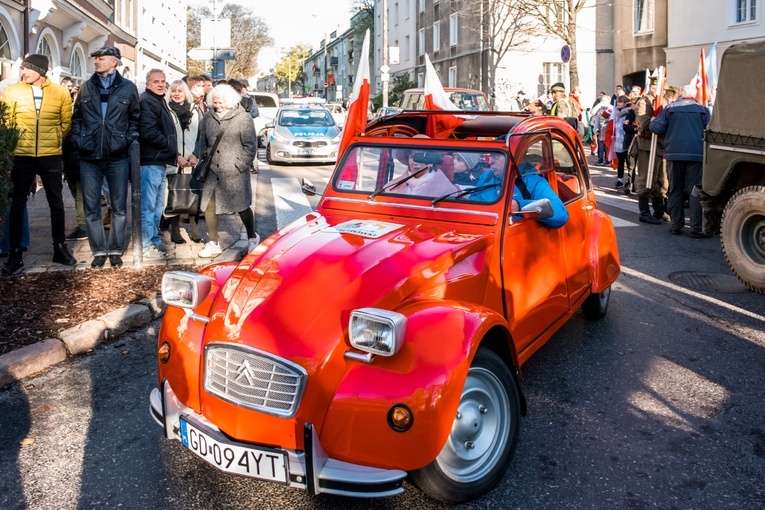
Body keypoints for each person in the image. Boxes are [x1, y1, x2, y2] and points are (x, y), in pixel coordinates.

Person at [1, 54, 77, 275]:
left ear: (41, 71)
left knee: (56, 203)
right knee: (17, 204)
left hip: (50, 154)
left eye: (28, 69)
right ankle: (15, 254)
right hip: (21, 155)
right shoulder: (13, 91)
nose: (24, 72)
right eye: (23, 69)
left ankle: (59, 248)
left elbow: (66, 123)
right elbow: (6, 122)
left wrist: (53, 139)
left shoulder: (60, 92)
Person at [71, 45, 140, 268]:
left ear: (114, 61)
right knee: (91, 207)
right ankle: (99, 251)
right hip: (89, 155)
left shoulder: (128, 88)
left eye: (101, 58)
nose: (96, 61)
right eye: (95, 58)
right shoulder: (86, 87)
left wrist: (126, 139)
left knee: (118, 206)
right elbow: (77, 118)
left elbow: (135, 119)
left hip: (117, 156)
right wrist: (79, 139)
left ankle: (116, 250)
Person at [194, 84, 259, 258]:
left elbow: (250, 146)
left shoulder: (243, 118)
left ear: (230, 101)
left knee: (242, 207)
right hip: (213, 171)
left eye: (221, 103)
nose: (218, 106)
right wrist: (202, 160)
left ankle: (252, 236)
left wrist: (240, 165)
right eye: (215, 102)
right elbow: (203, 142)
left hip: (234, 172)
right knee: (209, 207)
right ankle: (213, 243)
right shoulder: (208, 117)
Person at [649, 84, 711, 237]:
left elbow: (657, 128)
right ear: (694, 94)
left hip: (674, 154)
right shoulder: (703, 109)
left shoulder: (670, 108)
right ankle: (696, 228)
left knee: (675, 190)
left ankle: (676, 225)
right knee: (695, 191)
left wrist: (652, 121)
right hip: (696, 155)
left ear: (681, 95)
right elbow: (710, 130)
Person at [139, 69, 178, 260]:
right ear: (148, 84)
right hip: (150, 161)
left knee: (156, 206)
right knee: (148, 206)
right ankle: (146, 245)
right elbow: (148, 131)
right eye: (156, 81)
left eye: (163, 81)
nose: (161, 84)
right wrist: (170, 146)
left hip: (160, 160)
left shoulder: (158, 100)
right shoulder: (147, 101)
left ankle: (154, 241)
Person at [472, 152, 568, 228]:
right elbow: (473, 204)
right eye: (490, 156)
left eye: (496, 156)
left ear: (513, 158)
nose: (490, 162)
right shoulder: (486, 177)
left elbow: (560, 214)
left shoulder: (534, 181)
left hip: (514, 237)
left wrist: (519, 206)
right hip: (485, 230)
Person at [166, 79, 202, 244]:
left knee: (193, 194)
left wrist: (195, 154)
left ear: (186, 93)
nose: (177, 94)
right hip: (174, 160)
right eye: (174, 91)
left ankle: (194, 229)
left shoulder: (195, 110)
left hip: (192, 160)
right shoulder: (166, 110)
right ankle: (175, 230)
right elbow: (164, 137)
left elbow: (202, 135)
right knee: (173, 194)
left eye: (180, 91)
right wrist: (176, 156)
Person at [634, 77, 669, 225]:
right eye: (661, 87)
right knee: (646, 180)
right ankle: (644, 212)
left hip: (661, 145)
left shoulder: (661, 102)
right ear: (654, 88)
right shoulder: (644, 102)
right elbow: (645, 123)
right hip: (647, 146)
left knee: (662, 181)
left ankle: (660, 211)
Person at [390, 149, 459, 196]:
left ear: (432, 161)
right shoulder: (392, 186)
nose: (415, 162)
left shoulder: (447, 190)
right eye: (412, 157)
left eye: (420, 157)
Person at [612, 95, 636, 188]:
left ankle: (630, 181)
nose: (618, 103)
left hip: (626, 139)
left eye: (621, 102)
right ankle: (620, 180)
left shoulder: (629, 112)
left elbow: (629, 126)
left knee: (629, 162)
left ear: (625, 103)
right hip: (618, 139)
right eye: (618, 101)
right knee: (620, 161)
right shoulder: (616, 112)